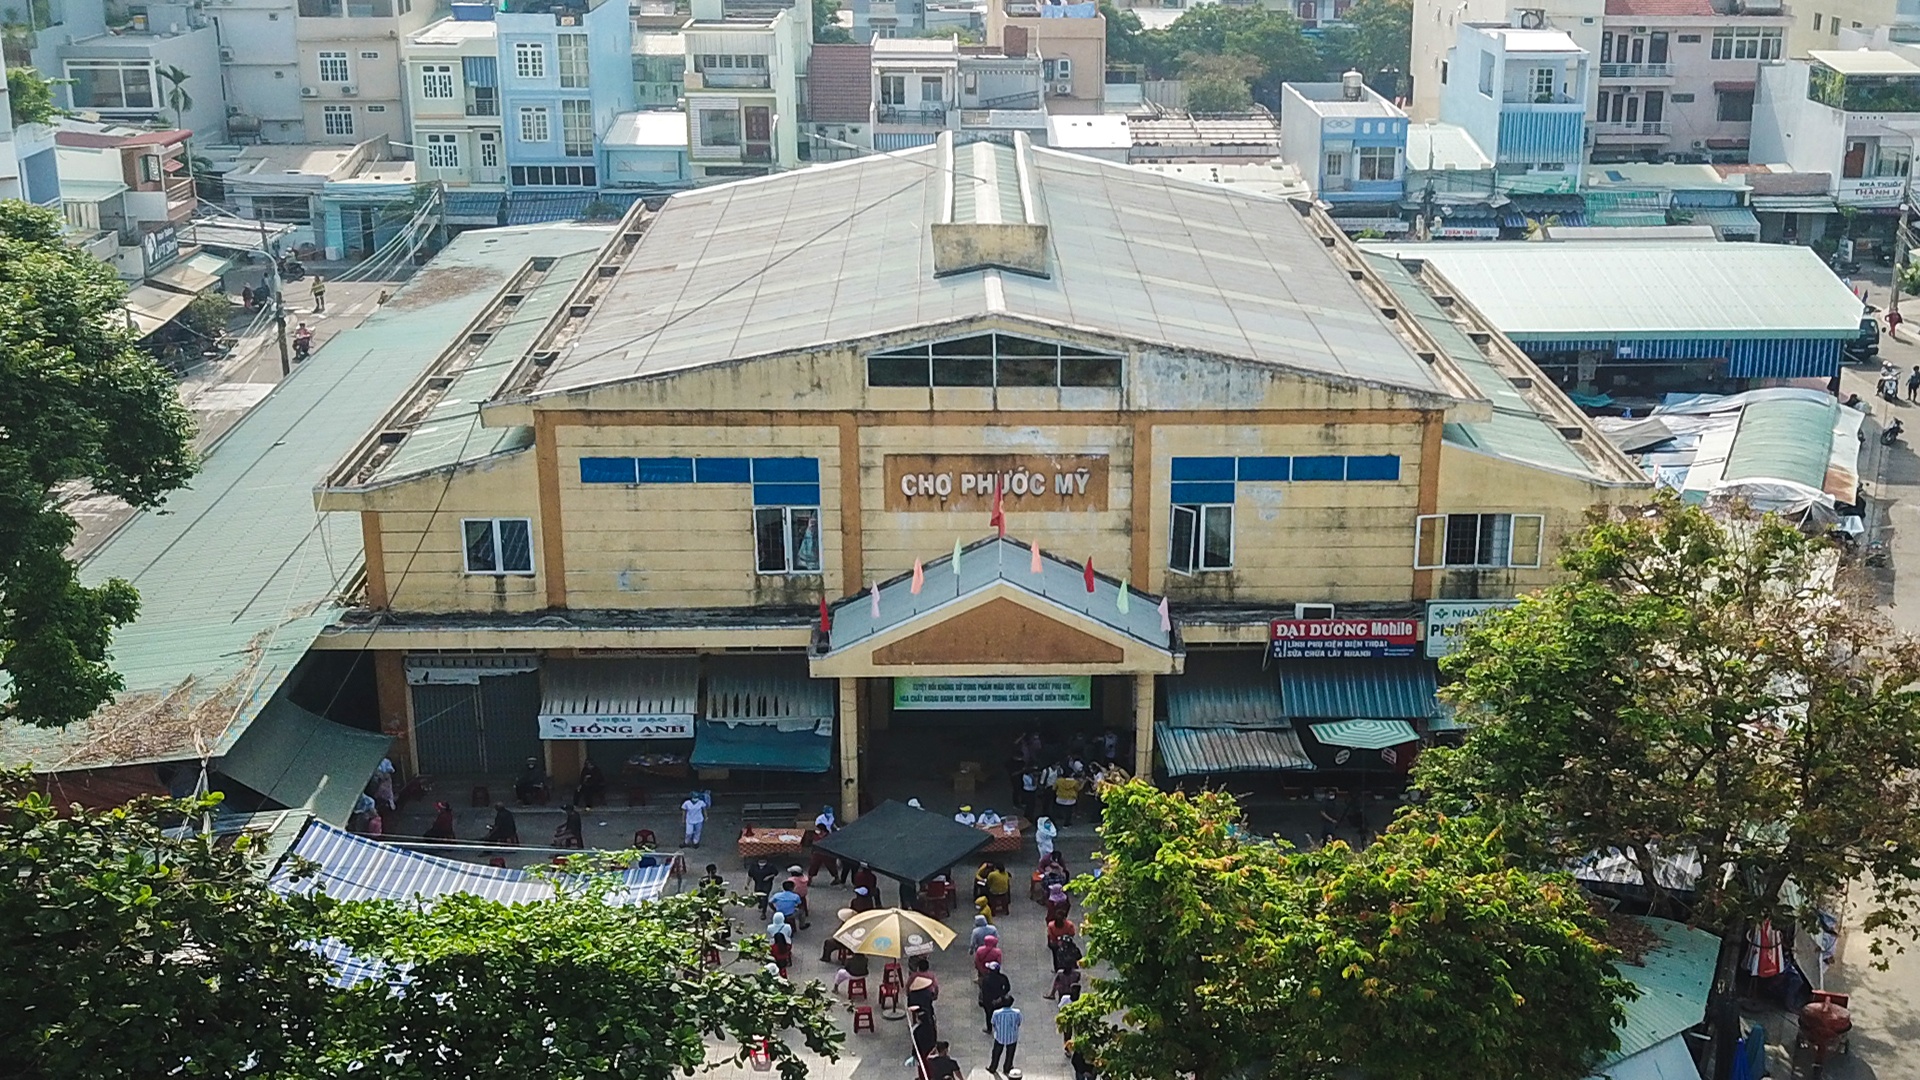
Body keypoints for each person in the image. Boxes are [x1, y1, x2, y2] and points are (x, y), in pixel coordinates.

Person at [988, 997, 1022, 1074]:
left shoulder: (997, 1013)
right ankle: (1007, 1068)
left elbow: (993, 1022)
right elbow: (1019, 1022)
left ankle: (993, 1067)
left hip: (1000, 1037)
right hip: (1012, 1037)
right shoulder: (1017, 1012)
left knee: (996, 1053)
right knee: (1010, 1054)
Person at [977, 961, 1011, 1032]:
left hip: (989, 1002)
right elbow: (1008, 988)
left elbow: (984, 991)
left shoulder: (986, 979)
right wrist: (1001, 995)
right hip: (999, 1001)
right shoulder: (1003, 978)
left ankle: (989, 1029)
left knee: (989, 1015)